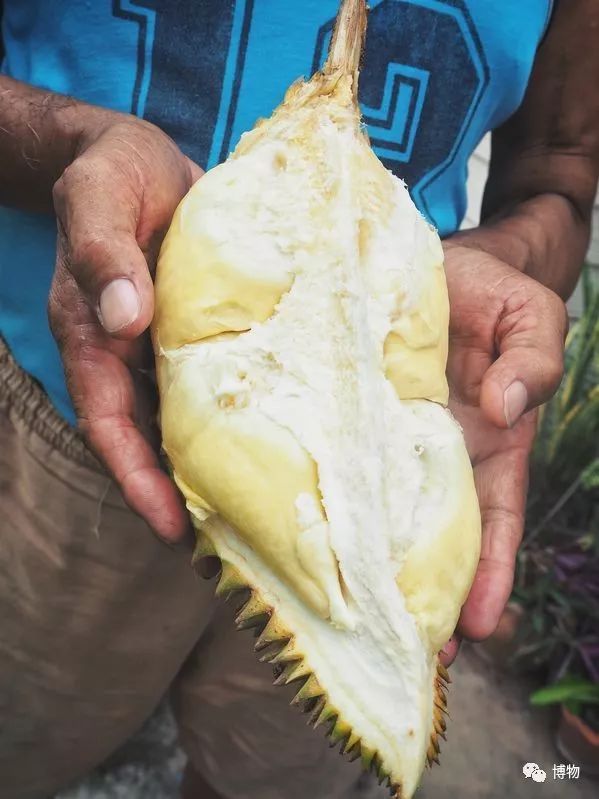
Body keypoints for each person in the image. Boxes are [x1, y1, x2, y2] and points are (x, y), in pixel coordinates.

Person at [0, 2, 597, 798]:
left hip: (419, 402)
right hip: (58, 428)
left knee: (268, 780)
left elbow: (561, 166)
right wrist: (74, 144)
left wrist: (510, 259)